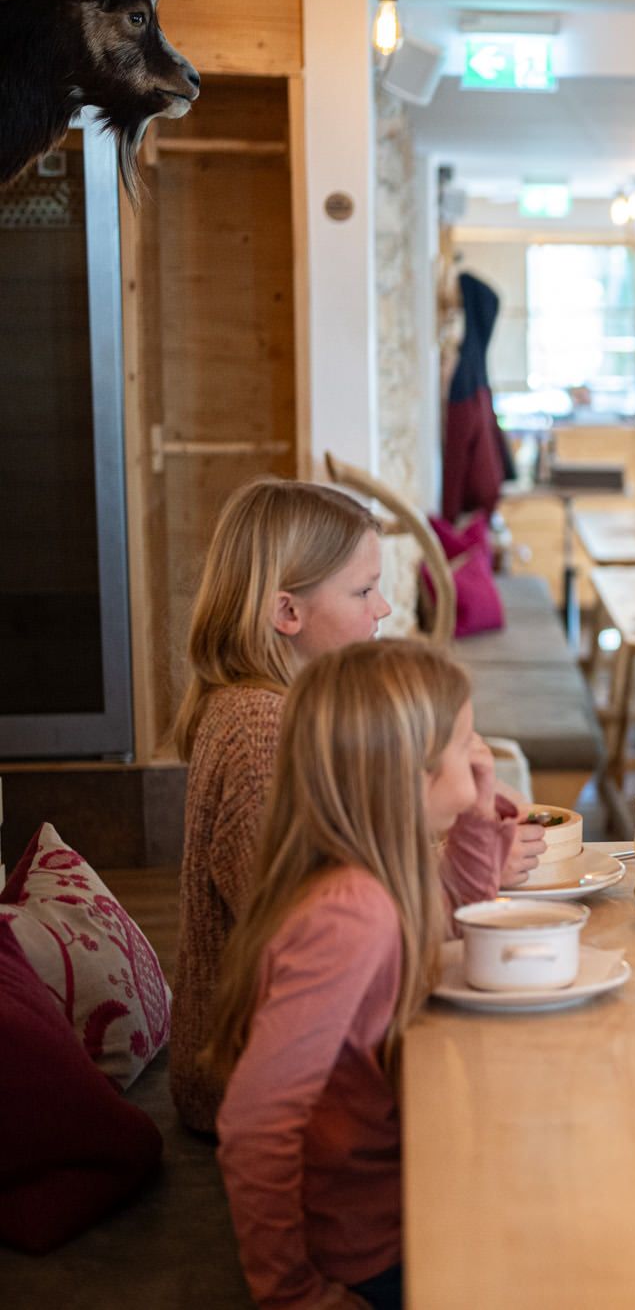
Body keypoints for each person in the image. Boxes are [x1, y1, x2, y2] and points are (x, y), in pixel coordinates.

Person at [168, 479, 540, 1135]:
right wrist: (457, 851)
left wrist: (463, 837)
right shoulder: (263, 731)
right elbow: (318, 942)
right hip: (262, 1082)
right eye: (364, 590)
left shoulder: (280, 712)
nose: (385, 606)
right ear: (288, 611)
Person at [206, 640, 499, 1310]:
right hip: (369, 1250)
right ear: (406, 774)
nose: (481, 757)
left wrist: (476, 814)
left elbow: (463, 938)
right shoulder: (353, 912)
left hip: (384, 1210)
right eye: (464, 744)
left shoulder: (369, 874)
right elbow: (254, 1121)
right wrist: (294, 1295)